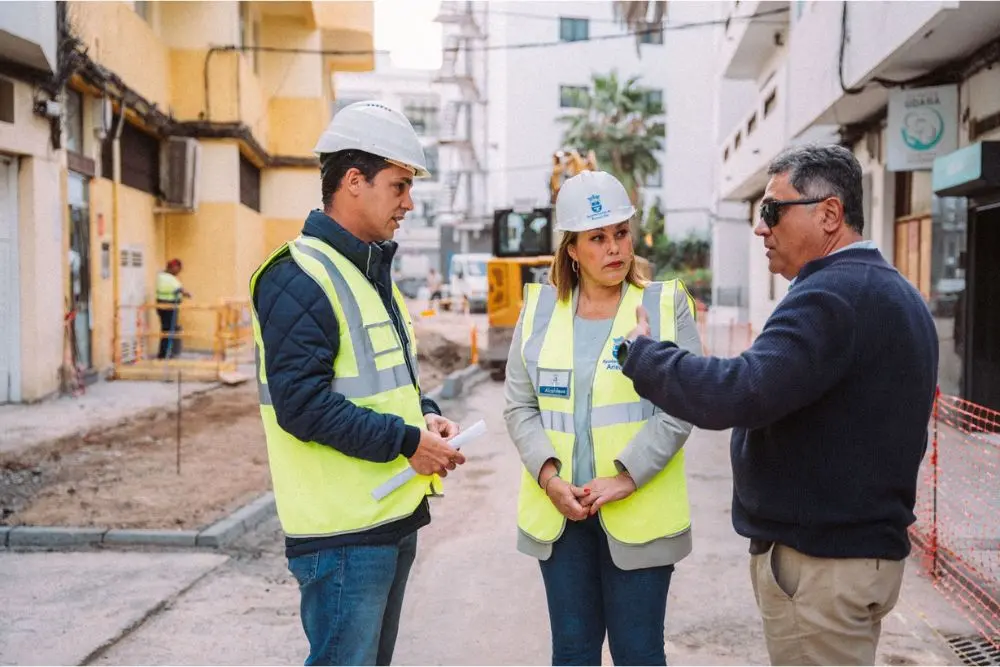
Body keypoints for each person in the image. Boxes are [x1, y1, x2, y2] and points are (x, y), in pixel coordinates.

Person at [616, 144, 939, 666]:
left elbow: (739, 391)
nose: (760, 229)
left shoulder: (831, 295)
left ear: (829, 213)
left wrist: (643, 354)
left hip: (821, 565)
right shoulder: (892, 291)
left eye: (771, 211)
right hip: (860, 555)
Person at [249, 101, 467, 666]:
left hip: (387, 517)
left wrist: (425, 416)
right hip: (343, 536)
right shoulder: (298, 275)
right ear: (353, 181)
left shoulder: (368, 274)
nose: (408, 203)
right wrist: (405, 441)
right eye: (398, 186)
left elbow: (383, 385)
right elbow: (302, 405)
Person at [503, 170, 701, 666]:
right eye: (597, 238)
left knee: (638, 653)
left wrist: (624, 478)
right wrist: (550, 478)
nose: (614, 248)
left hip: (637, 511)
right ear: (572, 248)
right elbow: (520, 407)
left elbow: (681, 407)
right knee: (572, 653)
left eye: (621, 233)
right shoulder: (537, 312)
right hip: (562, 514)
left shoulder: (663, 305)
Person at [155, 258, 191, 359]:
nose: (179, 272)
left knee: (167, 330)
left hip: (167, 306)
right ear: (174, 267)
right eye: (178, 269)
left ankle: (165, 353)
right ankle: (164, 354)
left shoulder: (164, 276)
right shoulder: (166, 278)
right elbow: (178, 289)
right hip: (168, 307)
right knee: (168, 330)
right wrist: (185, 293)